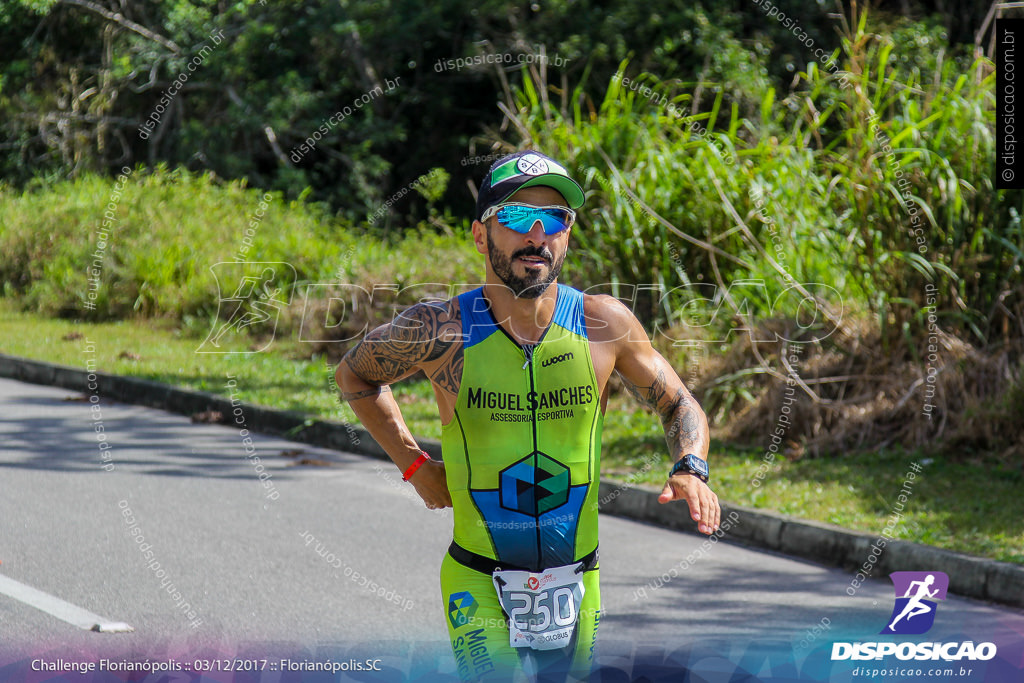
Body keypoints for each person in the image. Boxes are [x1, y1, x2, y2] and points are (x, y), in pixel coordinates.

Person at [336, 150, 721, 681]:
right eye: (517, 217)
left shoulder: (602, 323)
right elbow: (354, 375)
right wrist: (414, 465)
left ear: (567, 235)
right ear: (480, 235)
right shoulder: (441, 330)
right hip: (478, 576)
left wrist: (690, 465)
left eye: (556, 219)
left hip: (578, 580)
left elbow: (679, 402)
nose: (537, 234)